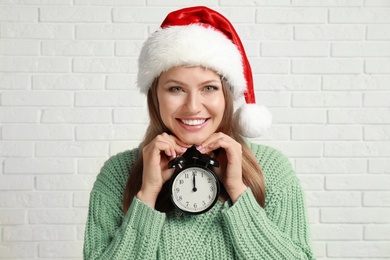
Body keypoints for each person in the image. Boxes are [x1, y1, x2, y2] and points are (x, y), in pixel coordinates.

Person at [83, 6, 315, 260]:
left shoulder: (271, 168)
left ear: (226, 96)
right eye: (175, 89)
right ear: (155, 96)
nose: (193, 107)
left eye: (209, 88)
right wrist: (147, 195)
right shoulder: (118, 173)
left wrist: (238, 191)